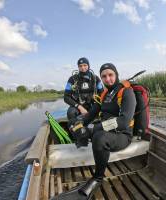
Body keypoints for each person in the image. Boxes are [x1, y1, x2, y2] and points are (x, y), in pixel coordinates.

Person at [52, 63, 136, 200]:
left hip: (122, 134)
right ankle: (83, 142)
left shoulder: (127, 92)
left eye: (111, 75)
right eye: (104, 76)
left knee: (99, 137)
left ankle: (98, 177)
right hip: (107, 130)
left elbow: (124, 121)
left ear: (116, 74)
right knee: (75, 123)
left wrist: (93, 130)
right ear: (101, 78)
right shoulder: (104, 94)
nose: (108, 79)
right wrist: (79, 125)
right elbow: (91, 114)